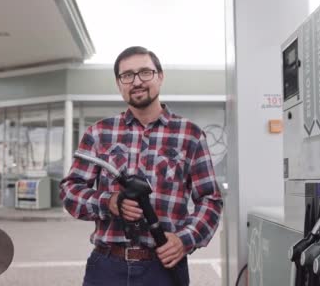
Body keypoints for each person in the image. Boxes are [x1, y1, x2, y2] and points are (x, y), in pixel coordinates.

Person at [60, 46, 223, 285]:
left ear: (160, 76)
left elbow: (210, 199)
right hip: (106, 268)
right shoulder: (98, 133)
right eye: (127, 75)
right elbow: (70, 191)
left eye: (145, 72)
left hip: (163, 268)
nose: (136, 81)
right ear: (119, 84)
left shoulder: (190, 135)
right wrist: (110, 202)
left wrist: (185, 239)